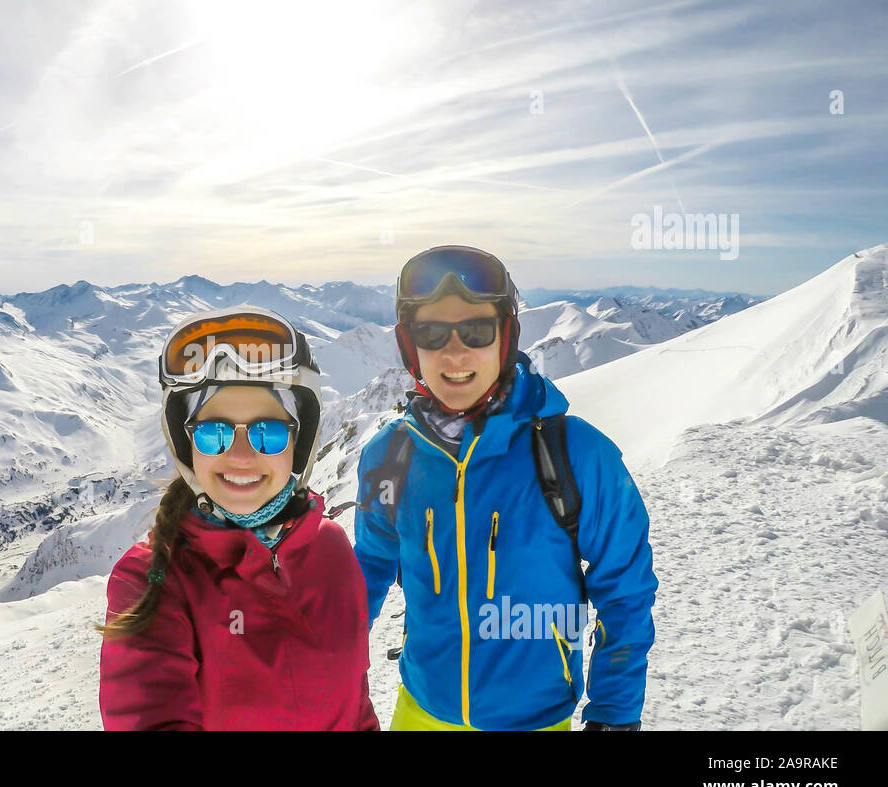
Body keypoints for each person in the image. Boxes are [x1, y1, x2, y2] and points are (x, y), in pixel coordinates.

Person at [354, 245, 658, 731]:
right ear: (411, 347)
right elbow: (367, 570)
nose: (454, 353)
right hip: (421, 711)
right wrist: (324, 669)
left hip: (536, 720)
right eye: (432, 333)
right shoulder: (389, 456)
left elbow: (625, 592)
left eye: (475, 330)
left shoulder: (576, 454)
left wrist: (616, 715)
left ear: (506, 337)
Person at [98, 306, 380, 730]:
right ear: (187, 444)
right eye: (215, 433)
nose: (242, 456)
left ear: (298, 443)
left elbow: (355, 705)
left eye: (268, 432)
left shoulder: (331, 548)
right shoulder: (150, 579)